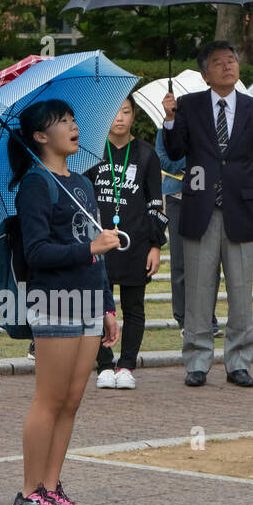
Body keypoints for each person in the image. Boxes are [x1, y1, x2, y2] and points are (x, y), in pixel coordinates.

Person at [12, 99, 120, 505]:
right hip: (54, 301)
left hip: (91, 301)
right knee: (49, 399)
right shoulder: (35, 185)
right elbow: (37, 252)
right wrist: (90, 247)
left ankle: (53, 487)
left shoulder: (82, 183)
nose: (74, 127)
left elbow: (98, 255)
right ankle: (29, 493)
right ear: (40, 136)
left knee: (72, 400)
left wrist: (108, 305)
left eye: (74, 119)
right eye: (63, 121)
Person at [162, 41, 253, 388]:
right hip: (199, 209)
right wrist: (169, 118)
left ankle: (239, 361)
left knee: (241, 291)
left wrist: (235, 183)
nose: (227, 66)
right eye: (218, 63)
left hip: (240, 208)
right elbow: (177, 151)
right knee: (198, 290)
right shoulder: (189, 106)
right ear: (205, 74)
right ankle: (197, 360)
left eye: (231, 61)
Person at [85, 95, 164, 389]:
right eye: (114, 111)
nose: (119, 118)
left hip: (135, 244)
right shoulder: (91, 152)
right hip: (98, 244)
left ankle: (126, 366)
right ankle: (104, 364)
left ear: (134, 116)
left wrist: (155, 246)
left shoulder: (146, 155)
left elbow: (156, 205)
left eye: (126, 111)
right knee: (96, 306)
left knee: (134, 307)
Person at [155, 117, 221, 337]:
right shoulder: (165, 129)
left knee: (210, 261)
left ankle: (208, 317)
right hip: (177, 198)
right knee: (180, 262)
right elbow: (163, 161)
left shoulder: (209, 126)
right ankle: (183, 318)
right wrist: (189, 159)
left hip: (206, 198)